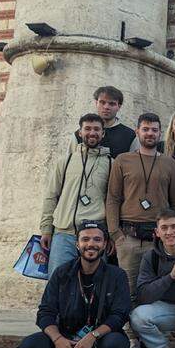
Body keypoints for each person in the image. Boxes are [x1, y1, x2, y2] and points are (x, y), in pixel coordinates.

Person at [17, 221, 132, 348]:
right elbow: (45, 312)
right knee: (28, 347)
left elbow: (120, 314)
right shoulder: (62, 273)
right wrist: (58, 339)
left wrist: (93, 336)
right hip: (65, 345)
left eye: (97, 239)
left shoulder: (117, 275)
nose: (91, 244)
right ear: (77, 244)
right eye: (85, 239)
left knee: (117, 345)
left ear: (105, 244)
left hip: (98, 344)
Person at [105, 112, 175, 348]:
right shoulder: (122, 160)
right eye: (145, 129)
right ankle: (132, 343)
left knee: (158, 289)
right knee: (128, 293)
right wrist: (115, 234)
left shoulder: (168, 164)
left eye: (154, 130)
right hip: (128, 237)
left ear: (161, 133)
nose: (150, 134)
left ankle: (155, 341)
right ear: (137, 132)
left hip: (159, 240)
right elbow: (113, 198)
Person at [40, 113, 112, 276]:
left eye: (96, 129)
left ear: (103, 133)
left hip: (95, 236)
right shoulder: (64, 162)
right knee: (58, 282)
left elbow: (113, 202)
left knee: (94, 285)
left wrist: (111, 234)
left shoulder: (111, 164)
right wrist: (46, 229)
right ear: (80, 132)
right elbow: (51, 196)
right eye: (87, 128)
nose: (92, 132)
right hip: (64, 234)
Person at [129, 209, 175, 348]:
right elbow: (144, 295)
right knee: (138, 317)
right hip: (166, 309)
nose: (170, 232)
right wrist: (170, 276)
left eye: (174, 227)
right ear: (157, 232)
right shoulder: (151, 256)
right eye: (164, 228)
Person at [92, 86, 136, 158]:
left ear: (119, 106)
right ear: (96, 103)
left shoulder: (130, 135)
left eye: (112, 104)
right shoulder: (82, 133)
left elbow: (133, 164)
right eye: (102, 102)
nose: (106, 107)